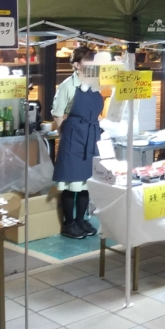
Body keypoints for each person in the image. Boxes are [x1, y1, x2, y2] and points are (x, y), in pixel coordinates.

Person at [52, 46, 104, 238]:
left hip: (91, 136)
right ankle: (69, 223)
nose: (91, 64)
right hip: (73, 136)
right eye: (87, 61)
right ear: (76, 64)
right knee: (70, 182)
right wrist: (66, 133)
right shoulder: (67, 85)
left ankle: (81, 220)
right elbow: (57, 114)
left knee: (86, 182)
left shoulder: (96, 83)